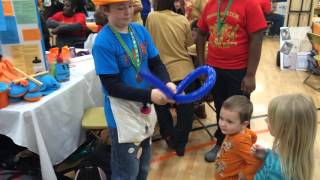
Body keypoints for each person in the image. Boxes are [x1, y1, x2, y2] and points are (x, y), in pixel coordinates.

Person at [91, 0, 176, 179]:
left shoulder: (139, 30)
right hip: (122, 114)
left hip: (143, 108)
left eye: (129, 6)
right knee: (126, 171)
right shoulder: (103, 42)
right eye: (120, 8)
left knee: (144, 165)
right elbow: (112, 87)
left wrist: (166, 82)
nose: (127, 12)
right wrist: (151, 94)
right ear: (105, 10)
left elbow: (155, 62)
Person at [196, 0, 267, 162]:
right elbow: (200, 34)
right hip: (214, 70)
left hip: (239, 70)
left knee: (239, 113)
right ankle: (222, 142)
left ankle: (244, 148)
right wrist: (200, 64)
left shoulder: (249, 4)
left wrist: (250, 74)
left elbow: (257, 38)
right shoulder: (211, 4)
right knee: (222, 110)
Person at [146, 0, 195, 156]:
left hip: (160, 74)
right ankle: (181, 143)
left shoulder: (151, 17)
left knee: (161, 108)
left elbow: (148, 42)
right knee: (186, 110)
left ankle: (168, 136)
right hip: (184, 72)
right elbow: (188, 44)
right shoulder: (182, 20)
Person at [252, 94, 317, 180]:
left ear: (285, 128)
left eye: (271, 119)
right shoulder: (294, 149)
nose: (266, 120)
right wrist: (267, 154)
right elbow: (278, 156)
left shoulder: (278, 172)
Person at [215, 95, 262, 180]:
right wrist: (220, 152)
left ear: (244, 124)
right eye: (221, 118)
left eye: (229, 121)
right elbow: (253, 136)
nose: (222, 124)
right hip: (223, 172)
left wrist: (244, 174)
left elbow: (256, 162)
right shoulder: (233, 130)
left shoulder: (240, 141)